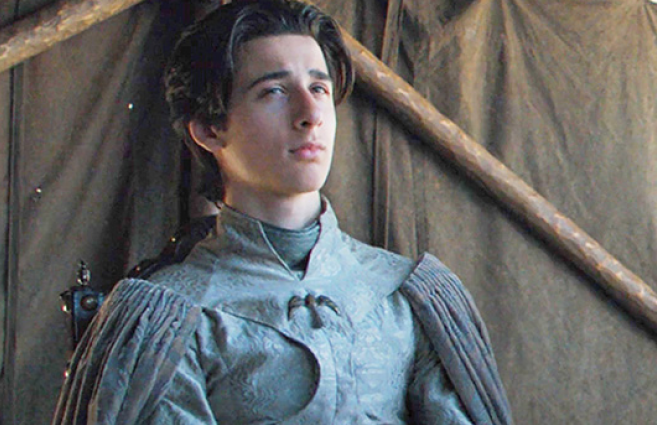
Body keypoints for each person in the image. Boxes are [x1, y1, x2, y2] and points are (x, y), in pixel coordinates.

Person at [52, 0, 513, 424]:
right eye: (274, 91)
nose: (310, 113)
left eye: (319, 87)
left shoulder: (407, 297)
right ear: (210, 130)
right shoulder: (171, 320)